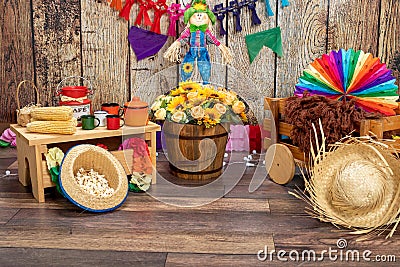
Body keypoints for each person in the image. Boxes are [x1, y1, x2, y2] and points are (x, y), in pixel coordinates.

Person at [163, 0, 232, 84]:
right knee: (187, 65)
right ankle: (184, 82)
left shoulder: (206, 31)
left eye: (203, 16)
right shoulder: (189, 31)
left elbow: (213, 39)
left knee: (205, 66)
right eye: (195, 16)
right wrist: (177, 43)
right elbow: (183, 38)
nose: (199, 17)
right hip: (192, 51)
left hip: (203, 51)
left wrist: (221, 47)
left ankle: (206, 82)